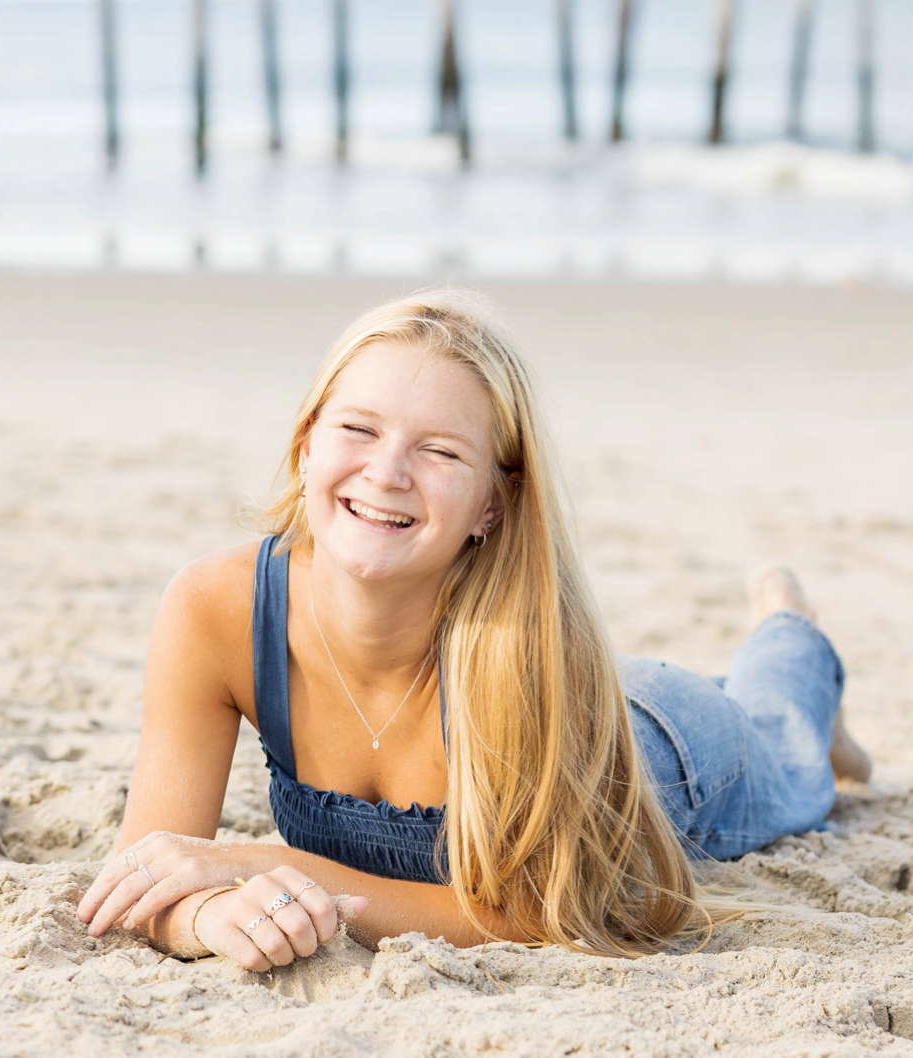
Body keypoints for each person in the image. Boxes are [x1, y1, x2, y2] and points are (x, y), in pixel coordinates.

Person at [76, 290, 870, 971]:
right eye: (358, 430)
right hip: (585, 705)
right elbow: (147, 873)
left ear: (493, 504)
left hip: (666, 749)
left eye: (440, 451)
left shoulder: (524, 654)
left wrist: (273, 865)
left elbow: (541, 914)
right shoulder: (214, 609)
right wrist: (207, 920)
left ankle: (787, 628)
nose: (386, 473)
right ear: (306, 443)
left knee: (790, 745)